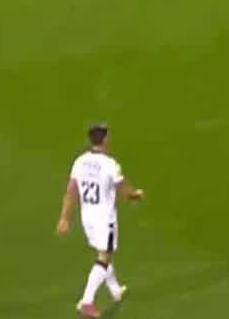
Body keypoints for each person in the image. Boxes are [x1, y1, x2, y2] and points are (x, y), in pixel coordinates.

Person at [57, 123, 142, 318]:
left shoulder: (80, 162)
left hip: (87, 217)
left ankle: (115, 290)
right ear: (105, 140)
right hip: (105, 219)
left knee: (102, 253)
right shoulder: (110, 164)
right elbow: (125, 192)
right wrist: (136, 195)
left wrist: (64, 218)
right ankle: (87, 301)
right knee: (104, 257)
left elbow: (71, 191)